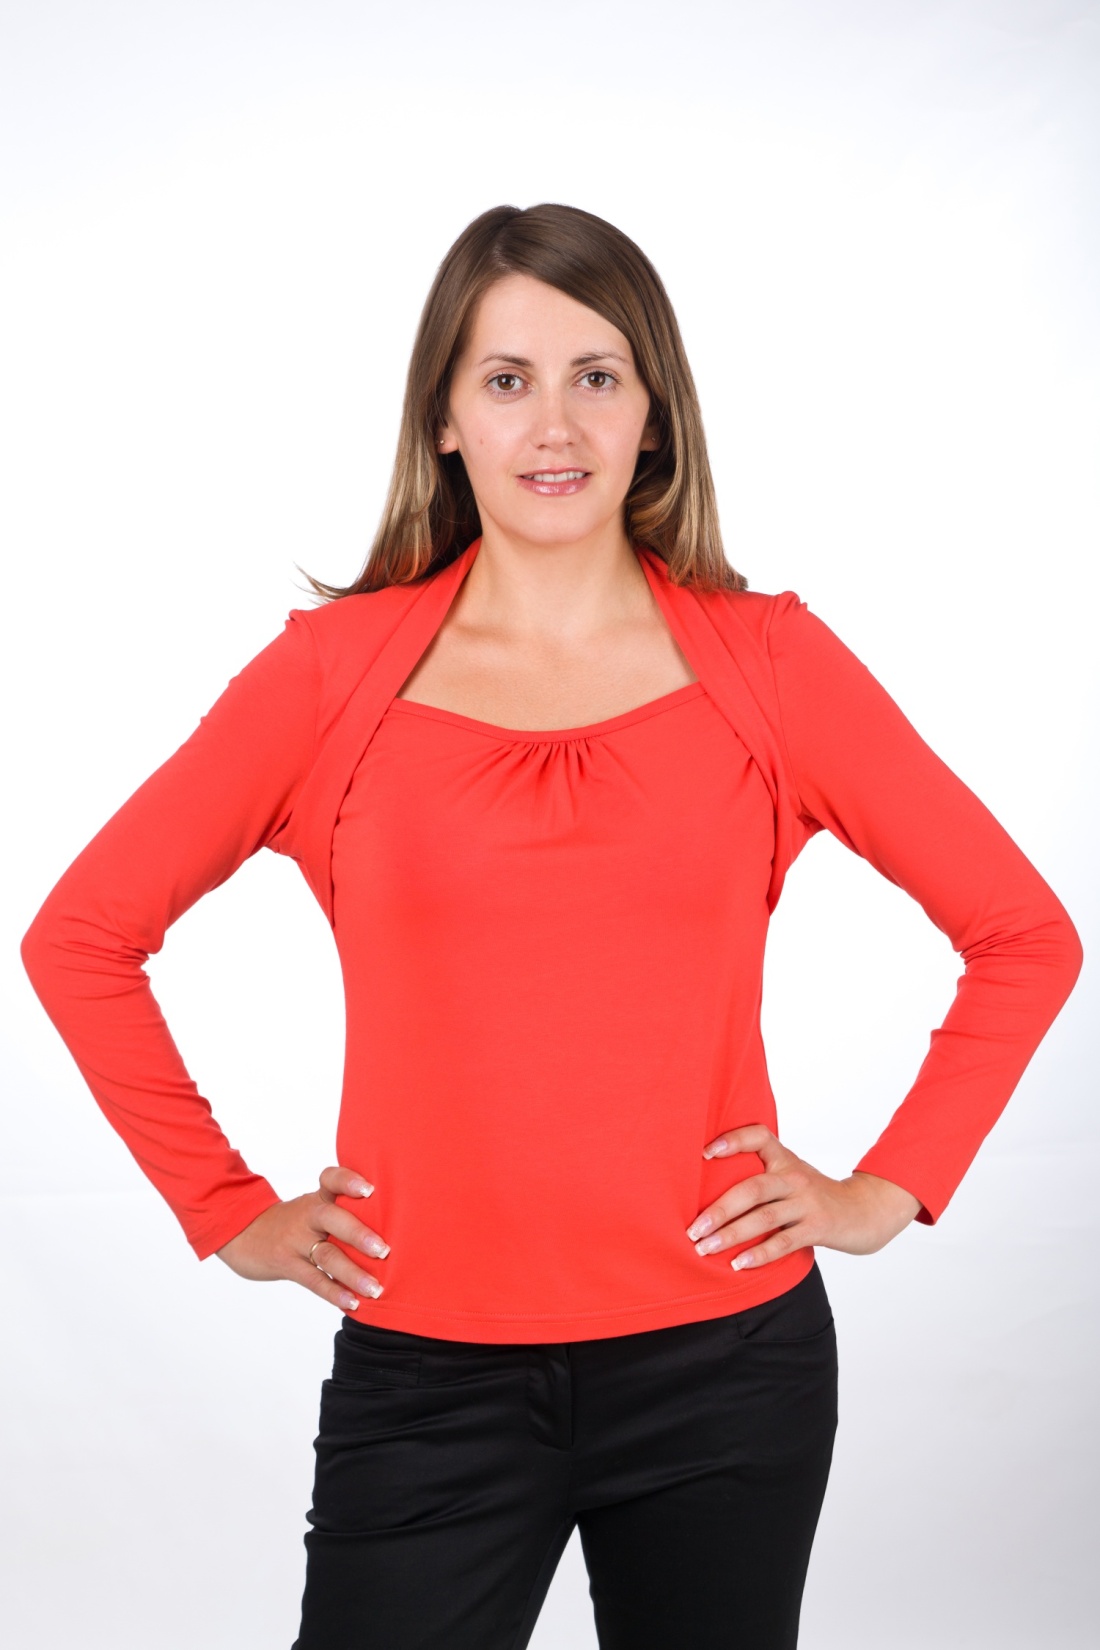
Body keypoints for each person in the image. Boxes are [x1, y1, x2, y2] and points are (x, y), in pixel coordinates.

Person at [21, 202, 1083, 1650]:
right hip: (427, 1377)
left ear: (655, 412)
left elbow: (1024, 933)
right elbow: (80, 936)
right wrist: (223, 1208)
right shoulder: (330, 675)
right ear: (444, 418)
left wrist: (885, 1189)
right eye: (507, 379)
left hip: (728, 1368)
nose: (555, 424)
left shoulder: (770, 662)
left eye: (597, 374)